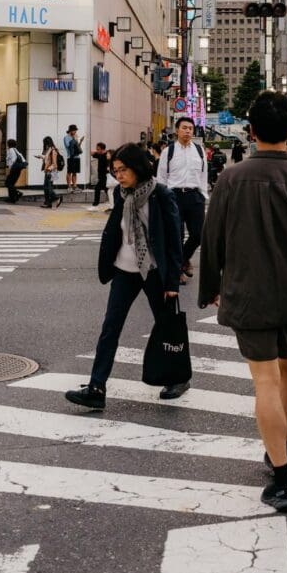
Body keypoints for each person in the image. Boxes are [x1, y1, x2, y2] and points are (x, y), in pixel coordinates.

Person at [198, 91, 287, 513]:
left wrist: (210, 288)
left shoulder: (231, 179)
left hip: (248, 291)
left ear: (251, 130)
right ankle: (282, 445)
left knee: (264, 381)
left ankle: (283, 476)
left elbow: (212, 238)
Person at [64, 144, 185, 410]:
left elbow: (175, 239)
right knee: (110, 328)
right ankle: (96, 388)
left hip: (153, 272)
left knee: (166, 326)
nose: (119, 176)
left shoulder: (161, 194)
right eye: (115, 171)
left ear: (137, 168)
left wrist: (172, 281)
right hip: (124, 271)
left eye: (123, 170)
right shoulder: (121, 195)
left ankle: (177, 378)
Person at [156, 116, 208, 284]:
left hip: (195, 196)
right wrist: (163, 199)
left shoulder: (199, 150)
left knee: (199, 234)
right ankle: (177, 271)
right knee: (176, 236)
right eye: (184, 128)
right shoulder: (168, 151)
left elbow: (204, 174)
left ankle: (184, 259)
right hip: (174, 197)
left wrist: (203, 195)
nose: (187, 131)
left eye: (190, 128)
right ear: (177, 130)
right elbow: (161, 177)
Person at [39, 136, 63, 209]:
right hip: (48, 171)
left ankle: (57, 198)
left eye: (45, 143)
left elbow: (55, 164)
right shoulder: (49, 150)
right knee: (46, 187)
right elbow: (48, 160)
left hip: (51, 171)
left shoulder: (53, 150)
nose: (44, 145)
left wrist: (49, 169)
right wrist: (41, 157)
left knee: (48, 187)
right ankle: (48, 203)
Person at [89, 142, 109, 210]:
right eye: (96, 149)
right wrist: (95, 152)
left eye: (98, 149)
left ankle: (95, 204)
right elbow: (92, 153)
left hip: (105, 176)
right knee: (107, 190)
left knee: (98, 188)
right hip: (101, 176)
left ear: (102, 149)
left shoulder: (107, 156)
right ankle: (113, 202)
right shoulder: (100, 155)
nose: (97, 150)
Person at [63, 125, 83, 192]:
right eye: (74, 130)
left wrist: (80, 141)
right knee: (69, 172)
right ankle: (69, 187)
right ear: (70, 130)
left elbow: (77, 147)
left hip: (77, 156)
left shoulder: (74, 137)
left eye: (75, 131)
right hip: (70, 157)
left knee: (75, 172)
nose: (75, 132)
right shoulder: (66, 137)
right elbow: (69, 146)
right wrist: (74, 139)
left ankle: (74, 186)